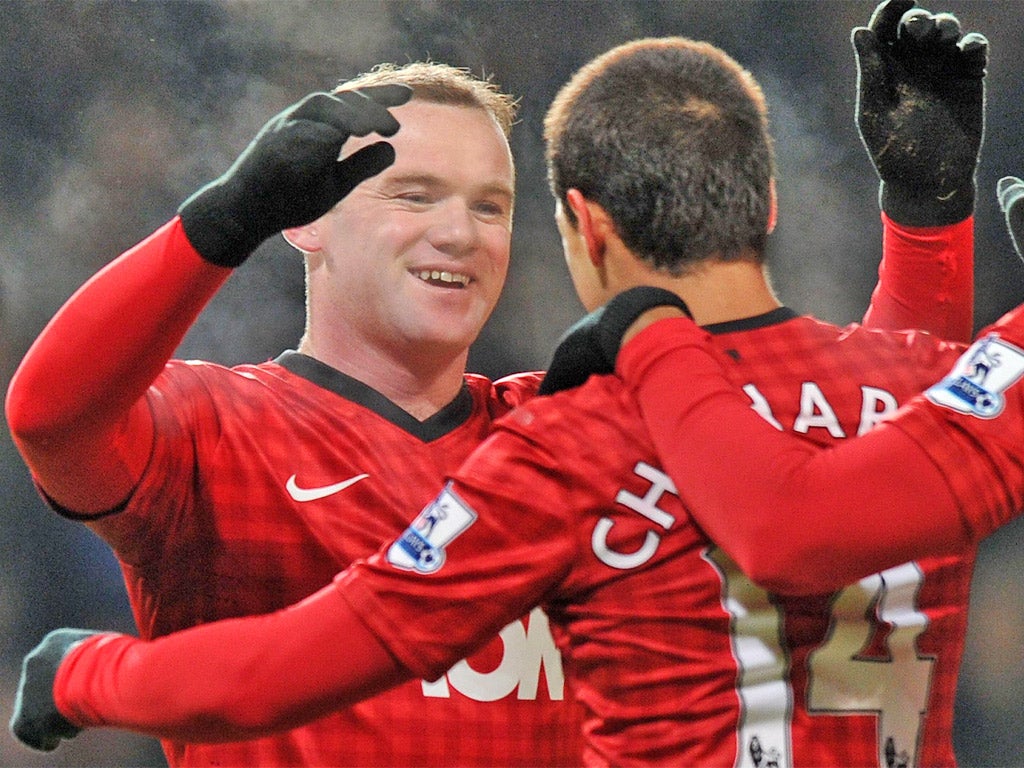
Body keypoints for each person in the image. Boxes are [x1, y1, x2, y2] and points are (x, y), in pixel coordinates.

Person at [8, 16, 1001, 768]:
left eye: (491, 206)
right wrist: (219, 224)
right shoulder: (213, 428)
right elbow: (50, 417)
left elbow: (867, 452)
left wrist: (923, 223)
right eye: (414, 196)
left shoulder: (570, 430)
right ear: (302, 221)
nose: (460, 233)